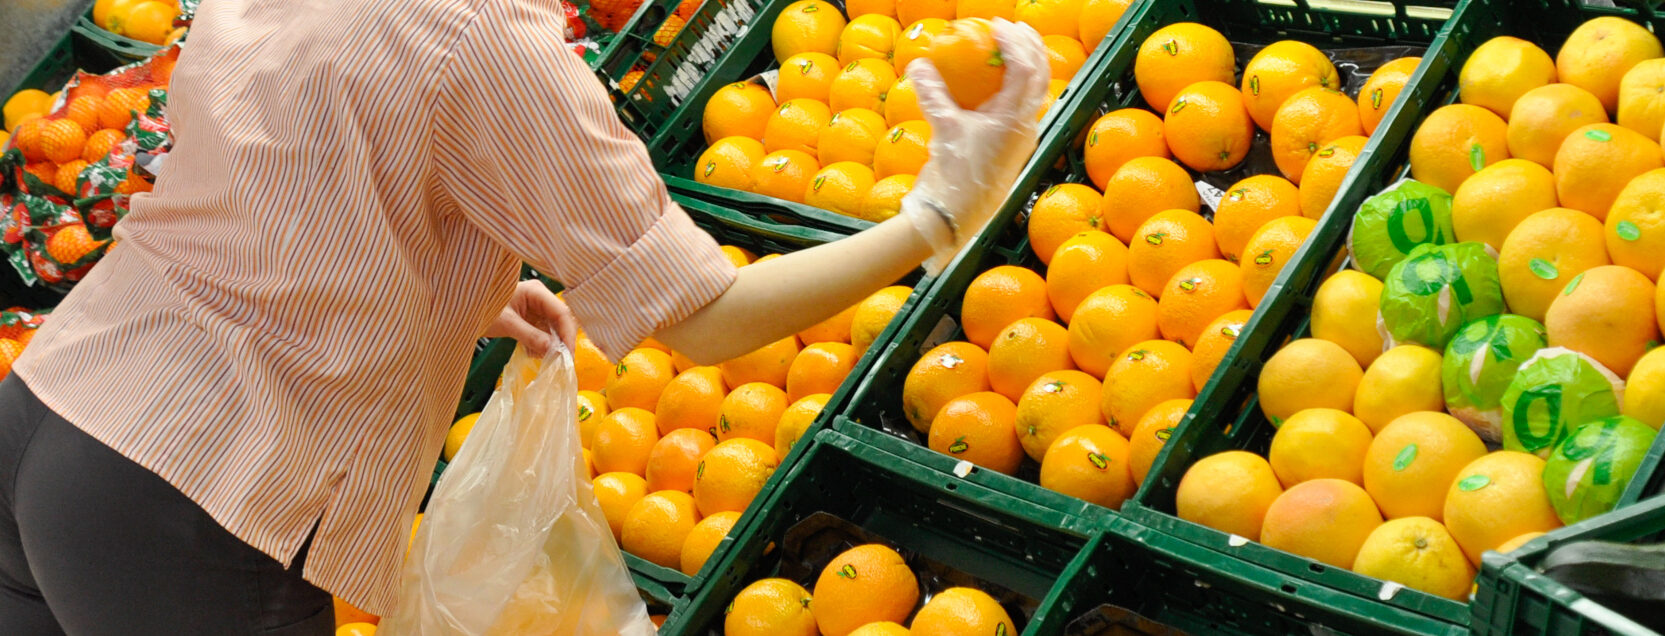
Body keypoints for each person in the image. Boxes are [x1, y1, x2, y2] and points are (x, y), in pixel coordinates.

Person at [0, 0, 1049, 630]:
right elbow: (706, 319)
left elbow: (287, 155)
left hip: (58, 404)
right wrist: (935, 214)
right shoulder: (488, 42)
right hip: (193, 499)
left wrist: (455, 284)